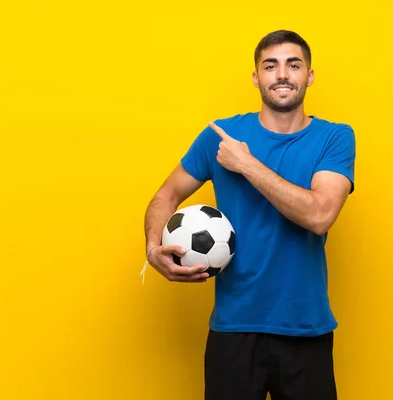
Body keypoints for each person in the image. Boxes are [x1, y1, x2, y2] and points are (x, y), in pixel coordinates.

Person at [144, 29, 356, 400]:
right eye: (270, 66)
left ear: (310, 75)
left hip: (305, 329)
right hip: (234, 329)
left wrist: (246, 164)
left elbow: (320, 214)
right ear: (257, 78)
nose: (282, 74)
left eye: (294, 64)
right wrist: (152, 247)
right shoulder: (220, 135)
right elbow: (166, 195)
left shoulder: (334, 137)